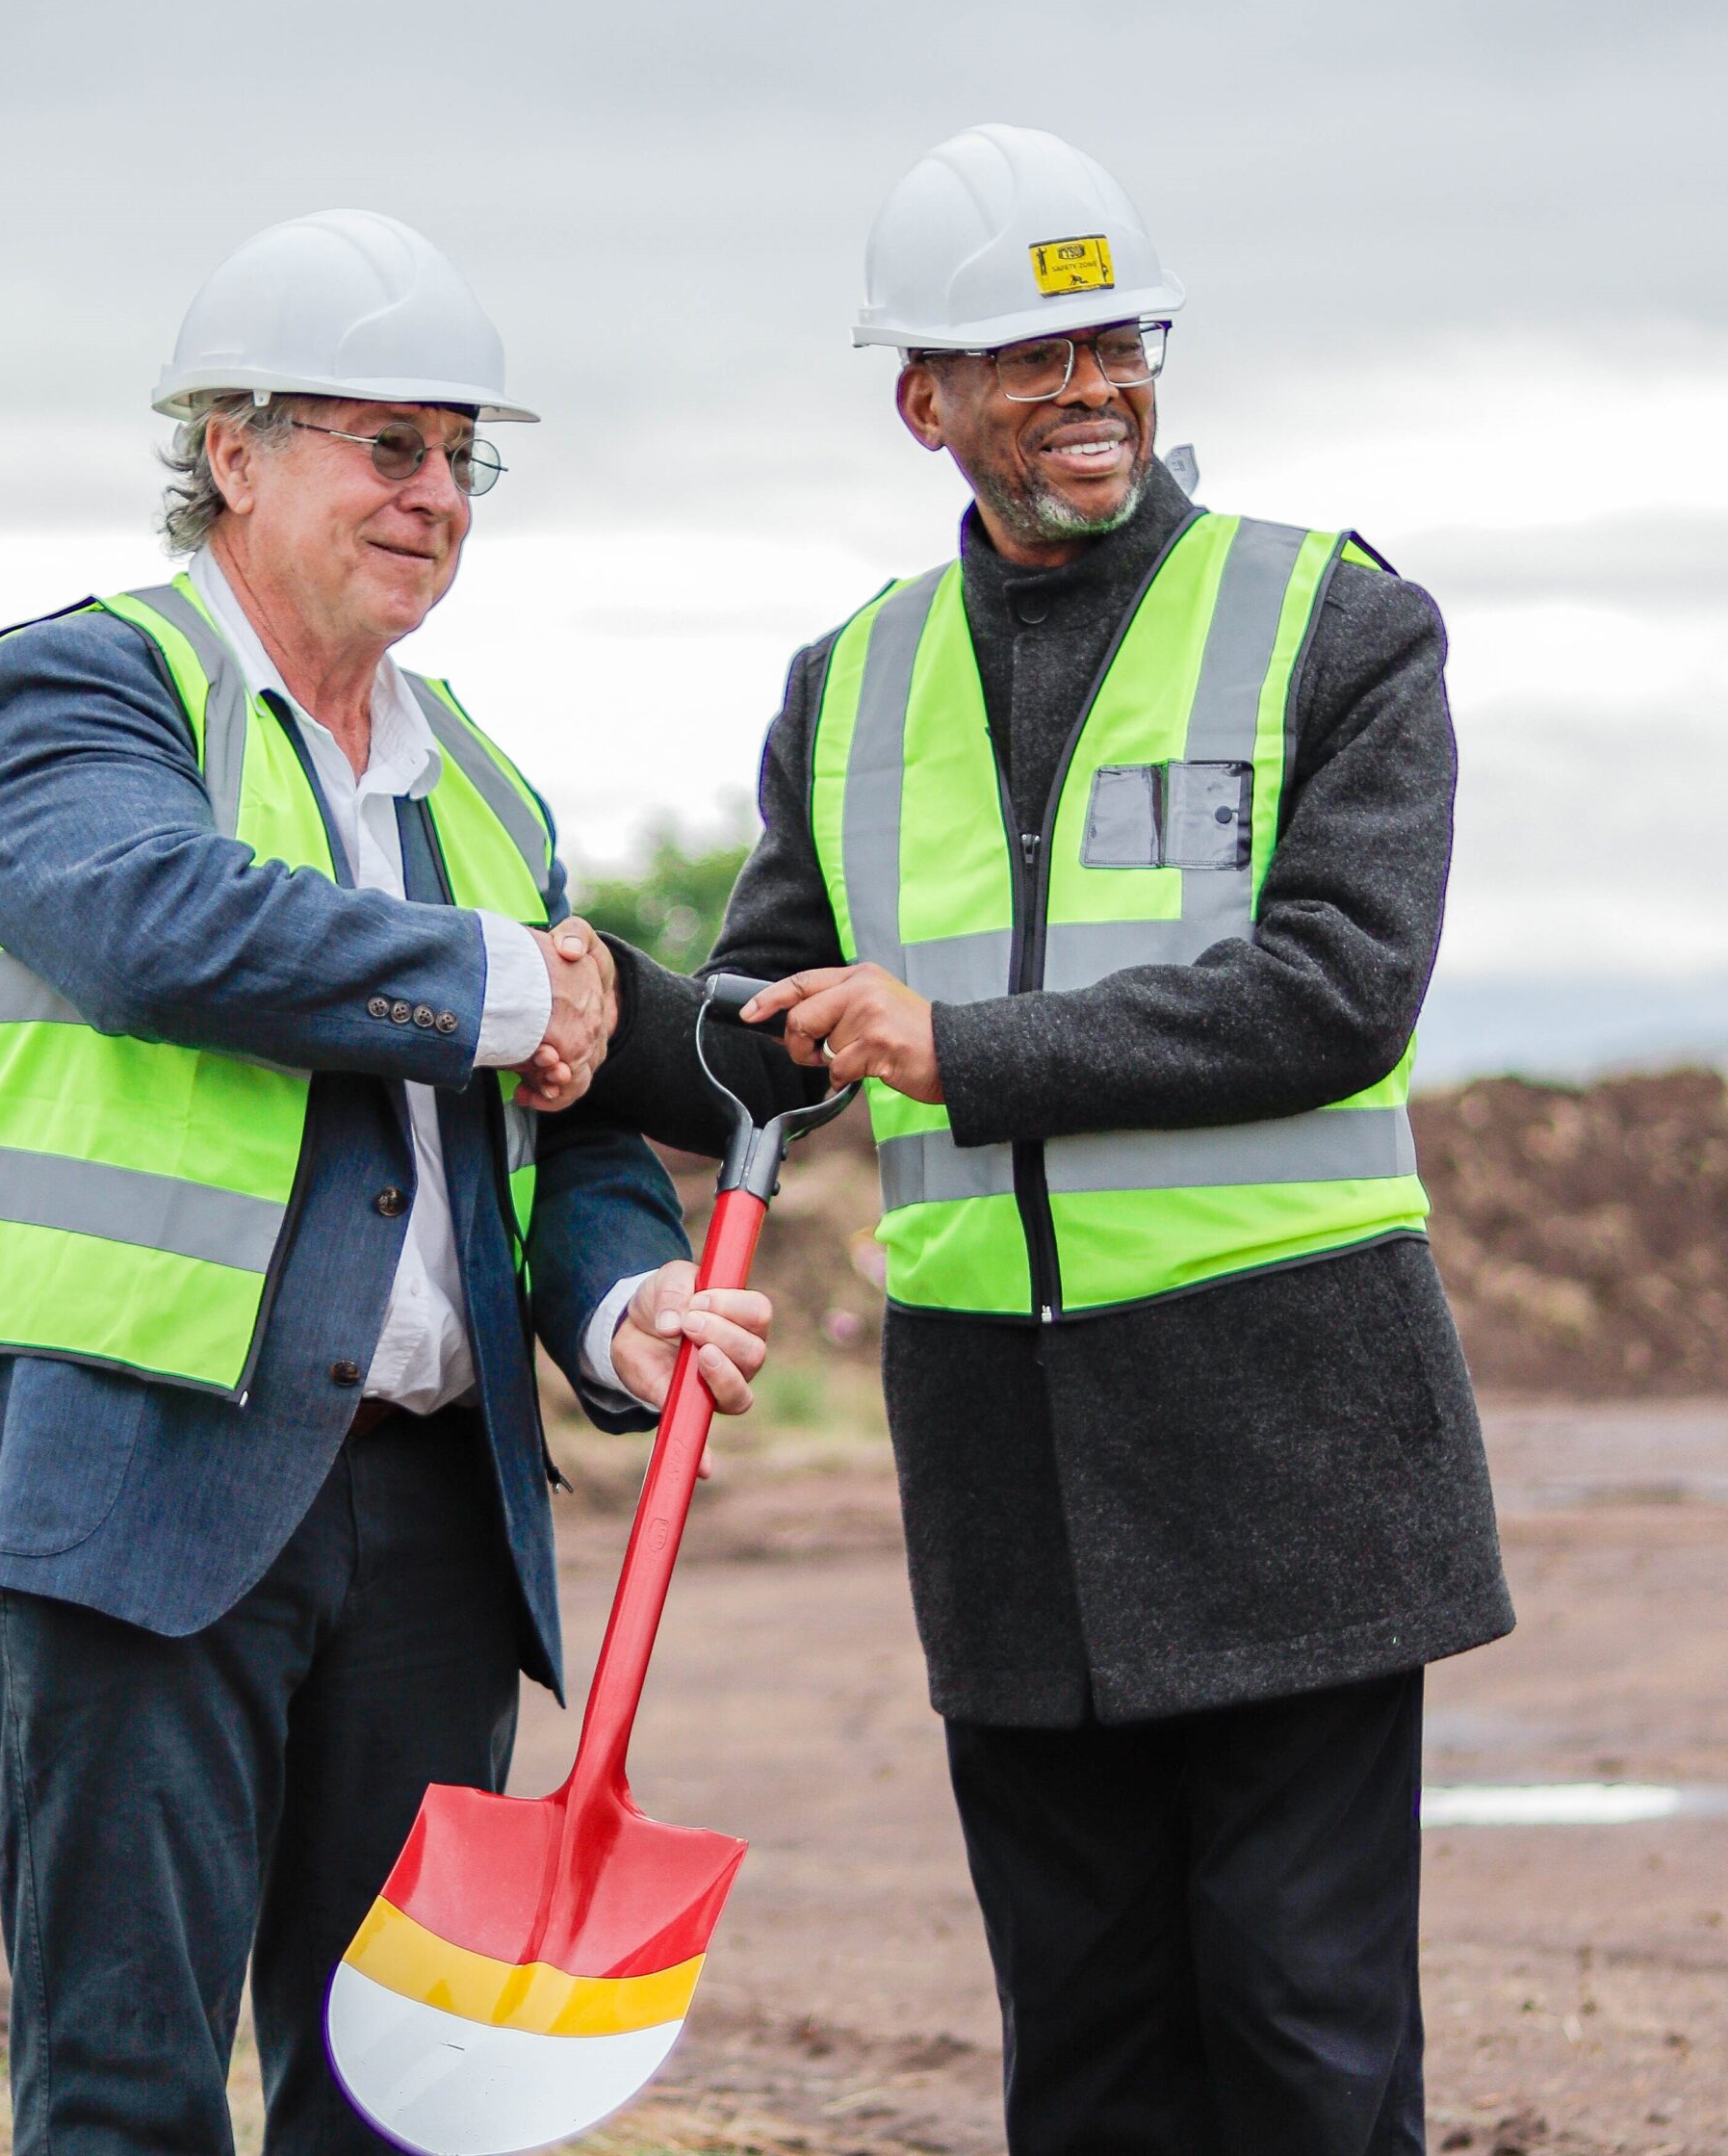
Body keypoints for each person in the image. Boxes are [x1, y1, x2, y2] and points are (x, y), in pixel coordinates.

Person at [587, 126, 1512, 2152]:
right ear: (924, 401)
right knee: (1085, 2057)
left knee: (1304, 2040)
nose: (1092, 388)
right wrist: (567, 1008)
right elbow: (772, 1041)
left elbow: (1339, 989)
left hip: (1287, 1444)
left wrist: (964, 1046)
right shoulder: (850, 682)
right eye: (1032, 355)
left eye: (1117, 344)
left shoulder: (1334, 625)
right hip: (1004, 1463)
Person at [0, 208, 775, 2156]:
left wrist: (617, 1300)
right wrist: (520, 983)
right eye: (388, 445)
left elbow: (564, 1131)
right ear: (234, 451)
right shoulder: (71, 698)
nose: (434, 494)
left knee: (394, 2106)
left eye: (462, 458)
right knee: (127, 2092)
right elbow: (164, 928)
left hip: (432, 1512)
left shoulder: (484, 791)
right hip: (132, 1480)